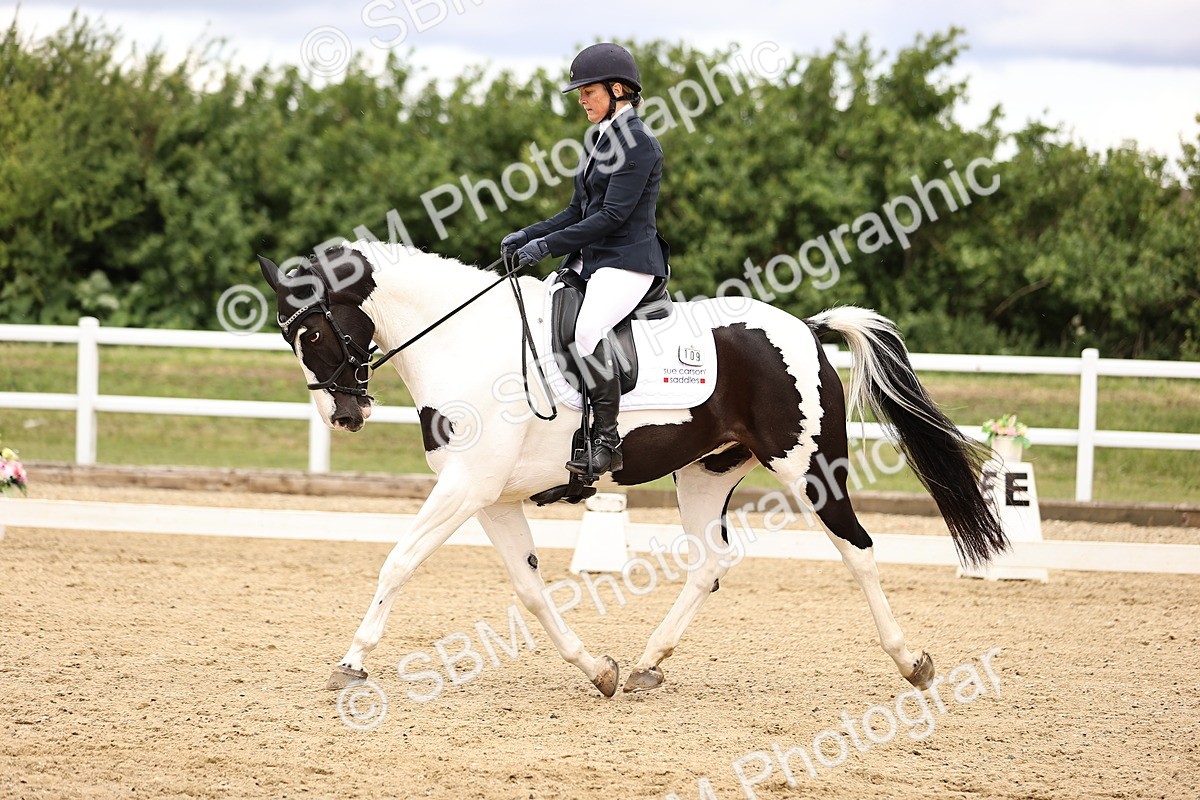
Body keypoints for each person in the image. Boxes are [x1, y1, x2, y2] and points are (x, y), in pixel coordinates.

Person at [501, 42, 670, 478]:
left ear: (618, 89)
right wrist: (530, 233)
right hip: (593, 259)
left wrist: (547, 247)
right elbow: (578, 211)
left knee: (588, 329)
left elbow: (612, 216)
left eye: (587, 92)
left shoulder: (640, 144)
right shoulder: (598, 139)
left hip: (628, 261)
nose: (581, 100)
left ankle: (607, 440)